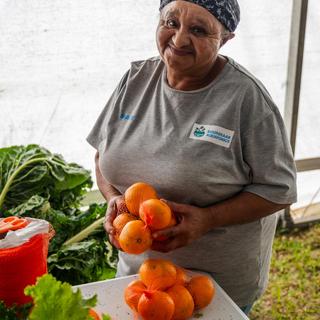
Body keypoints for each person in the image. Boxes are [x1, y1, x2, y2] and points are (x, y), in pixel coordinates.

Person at [87, 0, 297, 315]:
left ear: (225, 38)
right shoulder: (136, 78)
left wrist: (208, 220)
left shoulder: (245, 99)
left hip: (212, 287)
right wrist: (114, 197)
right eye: (171, 22)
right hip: (141, 280)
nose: (179, 38)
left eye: (198, 30)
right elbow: (104, 155)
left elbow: (280, 189)